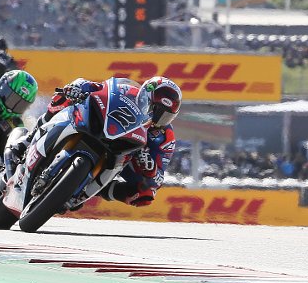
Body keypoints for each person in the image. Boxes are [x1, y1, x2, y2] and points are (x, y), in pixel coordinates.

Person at [10, 76, 181, 207]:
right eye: (154, 108)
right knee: (63, 97)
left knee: (146, 194)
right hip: (105, 125)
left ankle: (87, 190)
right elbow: (99, 87)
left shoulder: (165, 138)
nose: (157, 119)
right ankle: (30, 139)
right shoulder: (127, 90)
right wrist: (80, 87)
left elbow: (158, 180)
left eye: (165, 115)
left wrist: (150, 168)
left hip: (127, 153)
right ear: (145, 96)